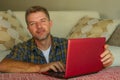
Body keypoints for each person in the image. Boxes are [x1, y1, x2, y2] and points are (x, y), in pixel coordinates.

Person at [0, 6, 114, 73]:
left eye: (43, 21)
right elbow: (3, 65)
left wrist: (104, 61)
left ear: (50, 24)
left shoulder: (67, 44)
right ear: (28, 29)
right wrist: (40, 67)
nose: (39, 27)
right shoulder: (22, 48)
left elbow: (86, 64)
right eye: (33, 23)